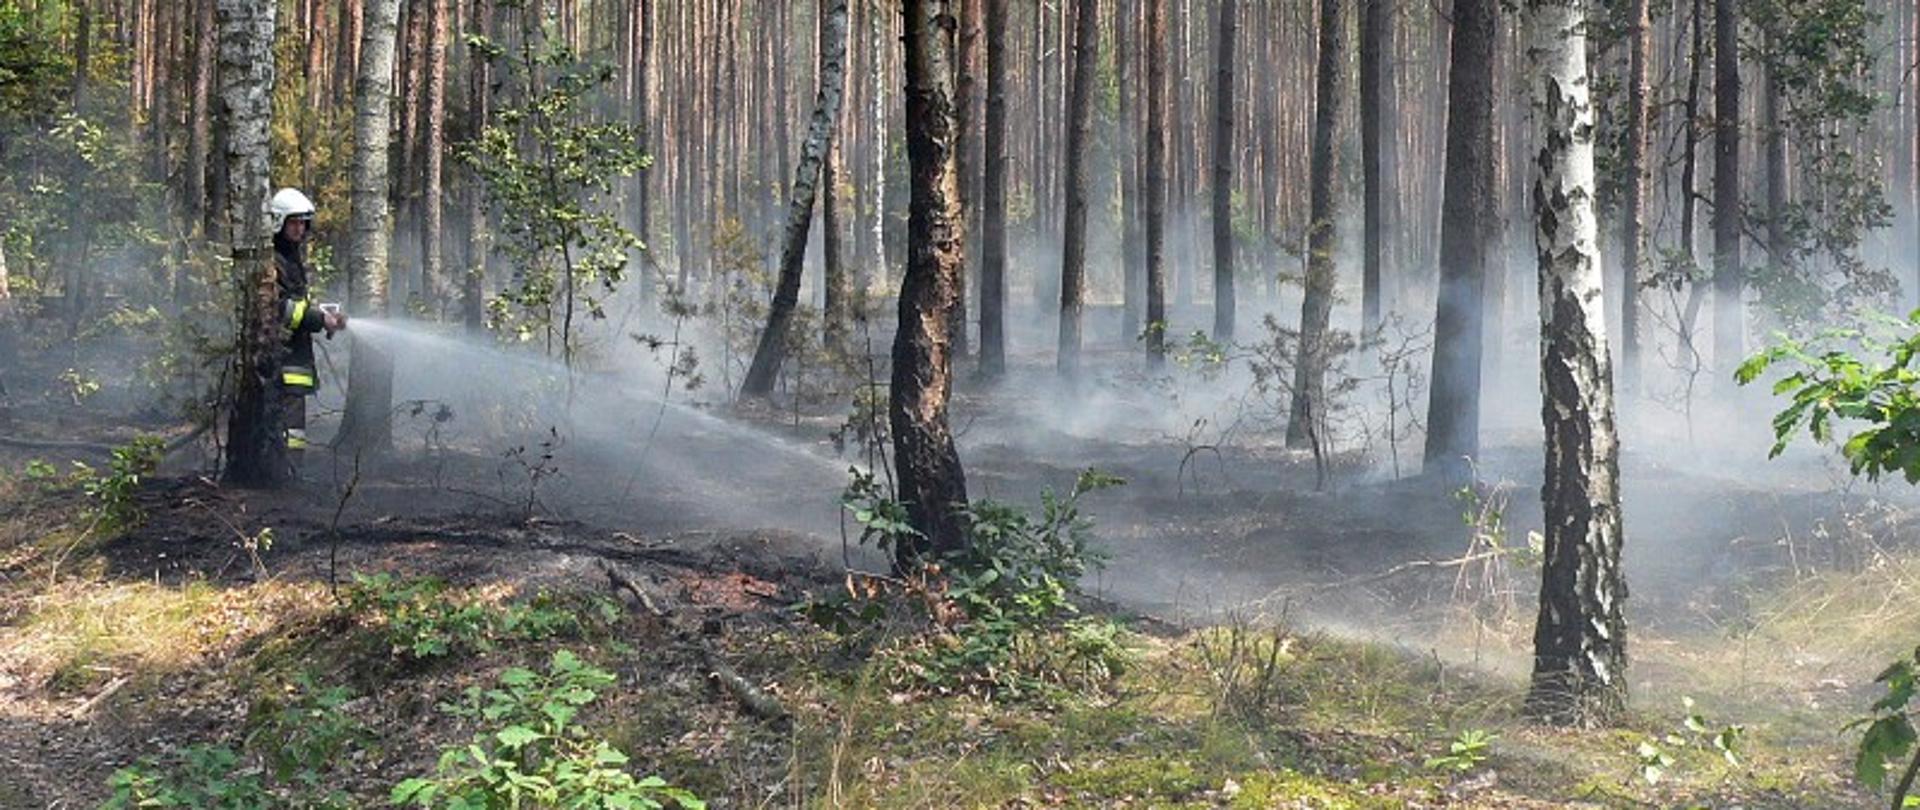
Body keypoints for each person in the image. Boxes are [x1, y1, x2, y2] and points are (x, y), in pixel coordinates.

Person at [268, 188, 345, 469]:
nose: (300, 228)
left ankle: (291, 471)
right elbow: (281, 309)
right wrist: (318, 319)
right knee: (287, 428)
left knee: (294, 428)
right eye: (294, 222)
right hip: (281, 360)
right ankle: (285, 473)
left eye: (303, 222)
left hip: (295, 359)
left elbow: (297, 304)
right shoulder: (273, 260)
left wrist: (323, 315)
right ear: (278, 222)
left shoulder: (291, 258)